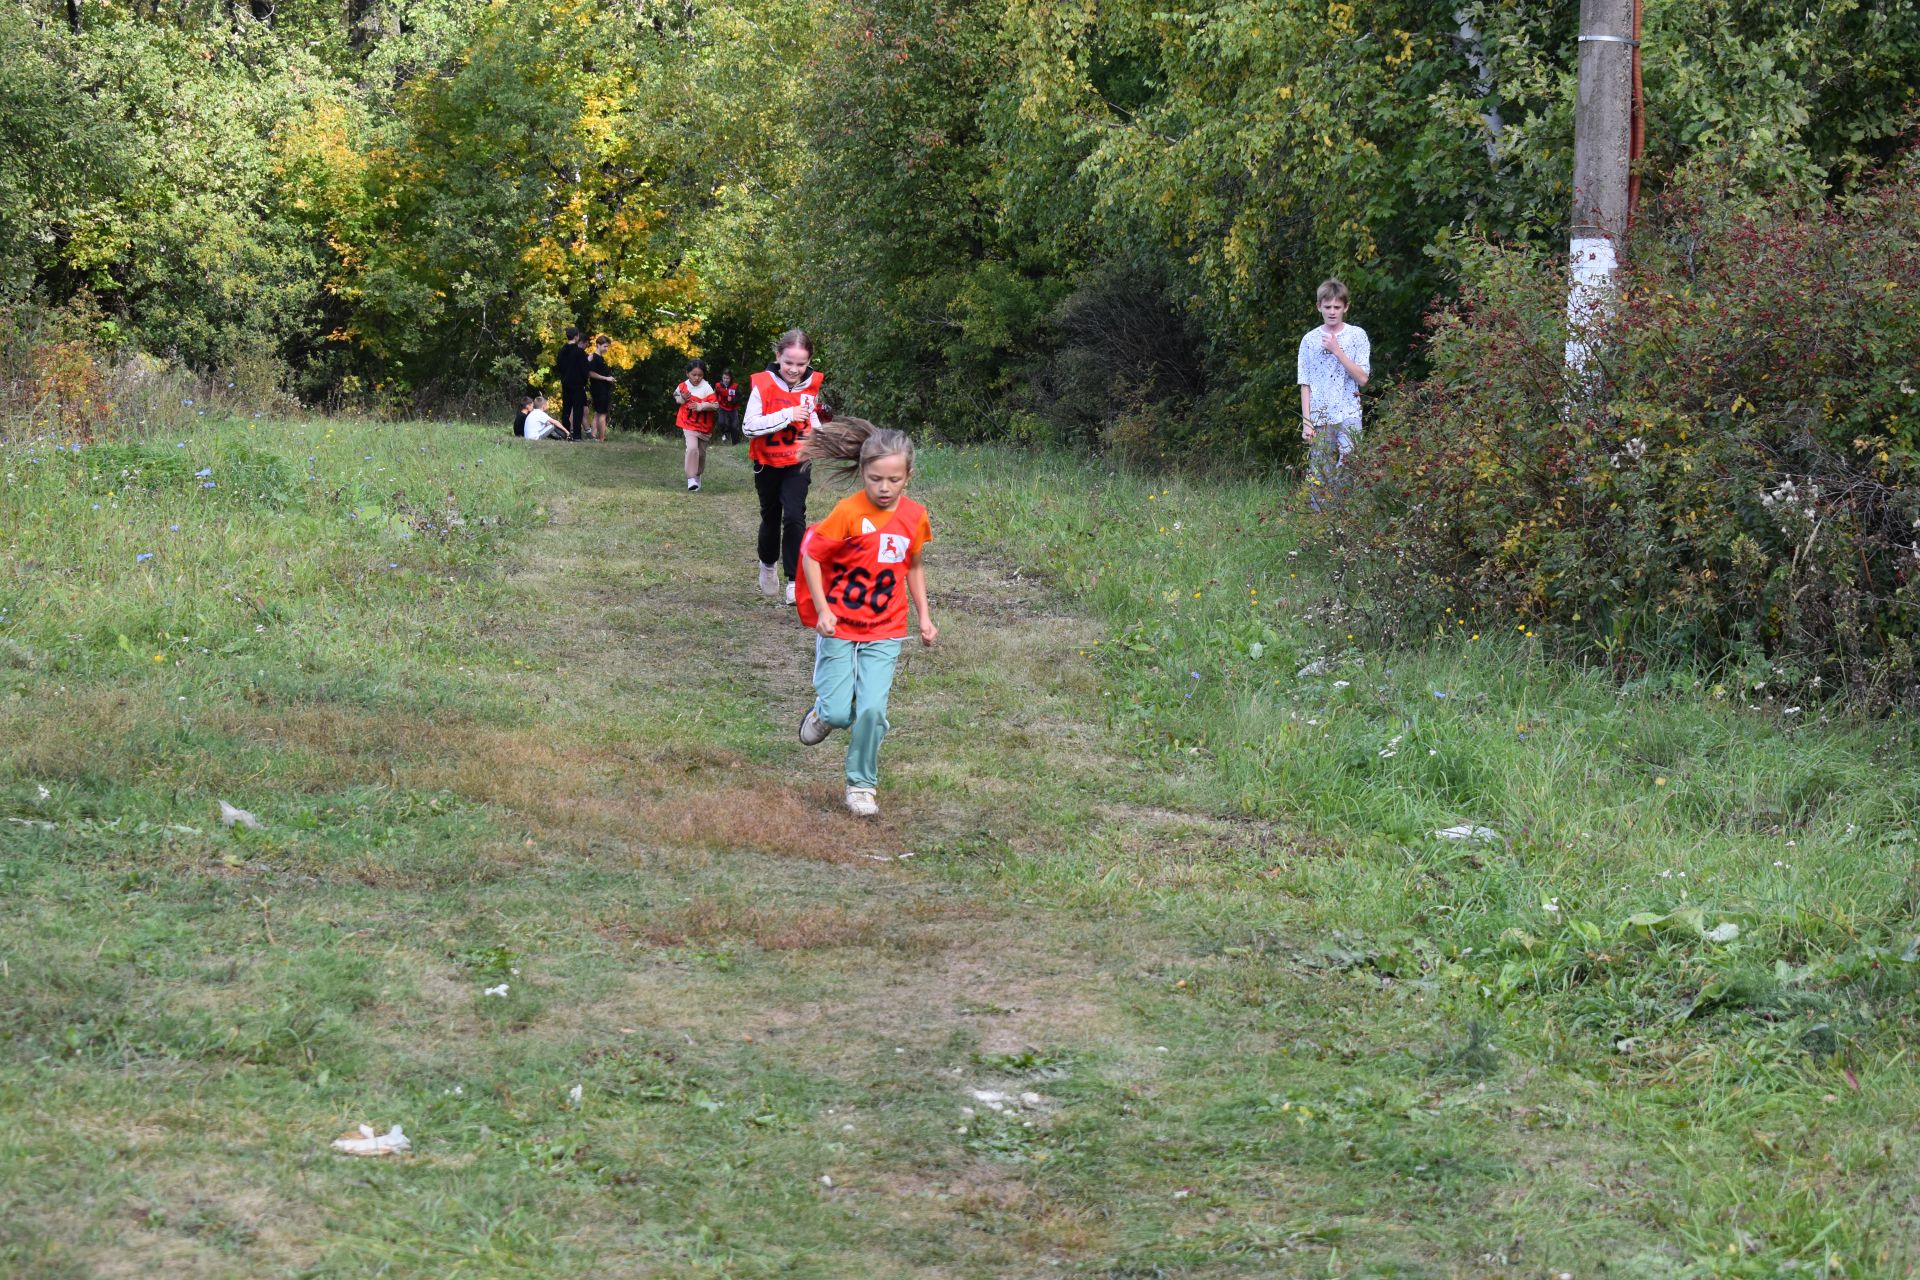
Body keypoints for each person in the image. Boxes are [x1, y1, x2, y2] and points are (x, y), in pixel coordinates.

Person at [793, 417, 936, 818]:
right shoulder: (847, 513)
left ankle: (861, 785)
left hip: (886, 627)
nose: (885, 488)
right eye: (875, 479)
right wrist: (822, 610)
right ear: (862, 473)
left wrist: (924, 616)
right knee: (840, 712)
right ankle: (823, 713)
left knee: (873, 709)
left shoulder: (915, 517)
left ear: (908, 476)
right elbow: (812, 557)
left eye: (894, 479)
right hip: (839, 623)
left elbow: (914, 566)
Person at [742, 329, 828, 604]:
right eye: (789, 362)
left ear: (809, 361)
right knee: (771, 517)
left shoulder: (811, 385)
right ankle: (767, 563)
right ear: (778, 356)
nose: (794, 369)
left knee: (794, 516)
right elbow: (748, 427)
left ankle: (794, 580)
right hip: (767, 462)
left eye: (801, 364)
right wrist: (786, 415)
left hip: (798, 461)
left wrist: (822, 436)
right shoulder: (762, 384)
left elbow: (811, 416)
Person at [1298, 278, 1370, 507]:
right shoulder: (1309, 340)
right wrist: (1307, 422)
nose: (1332, 312)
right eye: (1327, 307)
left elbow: (1363, 378)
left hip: (1349, 412)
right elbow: (1305, 384)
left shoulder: (1357, 335)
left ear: (1345, 308)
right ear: (1318, 306)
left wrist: (1337, 350)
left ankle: (1343, 516)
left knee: (1350, 463)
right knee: (1319, 473)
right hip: (1320, 417)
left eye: (1337, 307)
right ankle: (1319, 525)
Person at [672, 359, 719, 491]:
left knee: (701, 454)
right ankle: (691, 478)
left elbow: (715, 405)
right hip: (688, 424)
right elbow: (676, 397)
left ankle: (697, 475)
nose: (697, 378)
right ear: (687, 374)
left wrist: (700, 406)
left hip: (704, 427)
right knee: (692, 448)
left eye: (700, 375)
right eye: (694, 374)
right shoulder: (683, 386)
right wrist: (682, 398)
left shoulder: (707, 387)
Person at [557, 327, 590, 442]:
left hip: (565, 384)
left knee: (566, 409)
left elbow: (559, 367)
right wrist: (584, 381)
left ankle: (566, 433)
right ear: (576, 337)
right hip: (577, 385)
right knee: (577, 410)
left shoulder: (562, 351)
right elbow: (585, 370)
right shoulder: (579, 352)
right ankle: (576, 435)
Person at [587, 336, 616, 441]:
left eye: (607, 347)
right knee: (603, 414)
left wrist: (609, 379)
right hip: (600, 390)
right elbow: (590, 373)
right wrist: (606, 378)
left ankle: (593, 436)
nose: (606, 349)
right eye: (604, 346)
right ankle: (602, 438)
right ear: (598, 345)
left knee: (598, 413)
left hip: (601, 389)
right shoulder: (594, 358)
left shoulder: (600, 358)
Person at [714, 369, 742, 445]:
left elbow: (739, 396)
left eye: (727, 378)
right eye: (724, 378)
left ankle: (735, 444)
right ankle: (724, 434)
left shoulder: (735, 386)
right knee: (721, 422)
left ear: (730, 378)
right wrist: (715, 402)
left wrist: (733, 399)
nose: (726, 380)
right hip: (722, 407)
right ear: (722, 378)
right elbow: (715, 394)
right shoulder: (718, 385)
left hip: (733, 408)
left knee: (734, 426)